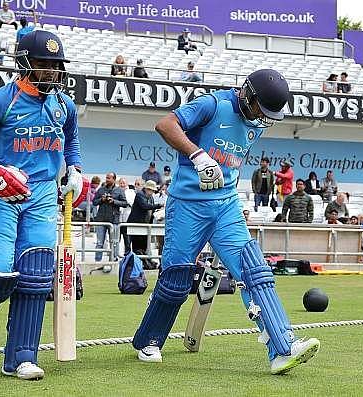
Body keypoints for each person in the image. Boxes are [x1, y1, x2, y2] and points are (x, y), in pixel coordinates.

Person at [132, 69, 320, 374]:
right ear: (248, 95)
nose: (263, 117)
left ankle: (283, 349)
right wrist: (198, 156)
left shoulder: (255, 123)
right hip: (187, 205)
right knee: (176, 278)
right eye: (261, 108)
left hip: (226, 205)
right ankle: (150, 340)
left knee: (253, 268)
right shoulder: (212, 105)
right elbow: (165, 124)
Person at [0, 30, 86, 380]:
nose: (52, 73)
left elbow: (71, 142)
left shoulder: (64, 105)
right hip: (1, 194)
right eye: (43, 65)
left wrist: (76, 169)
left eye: (56, 66)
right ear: (24, 63)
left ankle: (21, 358)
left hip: (42, 196)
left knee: (37, 276)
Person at [93, 172, 127, 261]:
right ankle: (97, 261)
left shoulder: (119, 190)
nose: (107, 180)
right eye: (106, 178)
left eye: (109, 178)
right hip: (101, 219)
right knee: (100, 242)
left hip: (114, 220)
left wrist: (113, 201)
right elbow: (94, 202)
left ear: (114, 179)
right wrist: (102, 199)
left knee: (114, 242)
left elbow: (124, 203)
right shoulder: (101, 189)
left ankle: (114, 259)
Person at [127, 180, 162, 264]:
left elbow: (151, 209)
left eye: (153, 191)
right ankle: (136, 263)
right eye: (151, 190)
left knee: (144, 246)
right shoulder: (139, 195)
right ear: (146, 188)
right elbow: (144, 206)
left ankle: (144, 263)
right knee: (136, 246)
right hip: (136, 224)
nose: (152, 192)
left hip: (146, 225)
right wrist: (158, 205)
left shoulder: (151, 198)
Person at [118, 177, 136, 255]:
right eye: (120, 183)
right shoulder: (116, 191)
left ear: (127, 184)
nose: (122, 184)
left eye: (123, 183)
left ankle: (127, 254)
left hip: (127, 218)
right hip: (118, 218)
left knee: (127, 239)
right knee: (116, 239)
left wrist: (125, 203)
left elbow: (132, 203)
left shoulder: (131, 192)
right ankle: (116, 254)